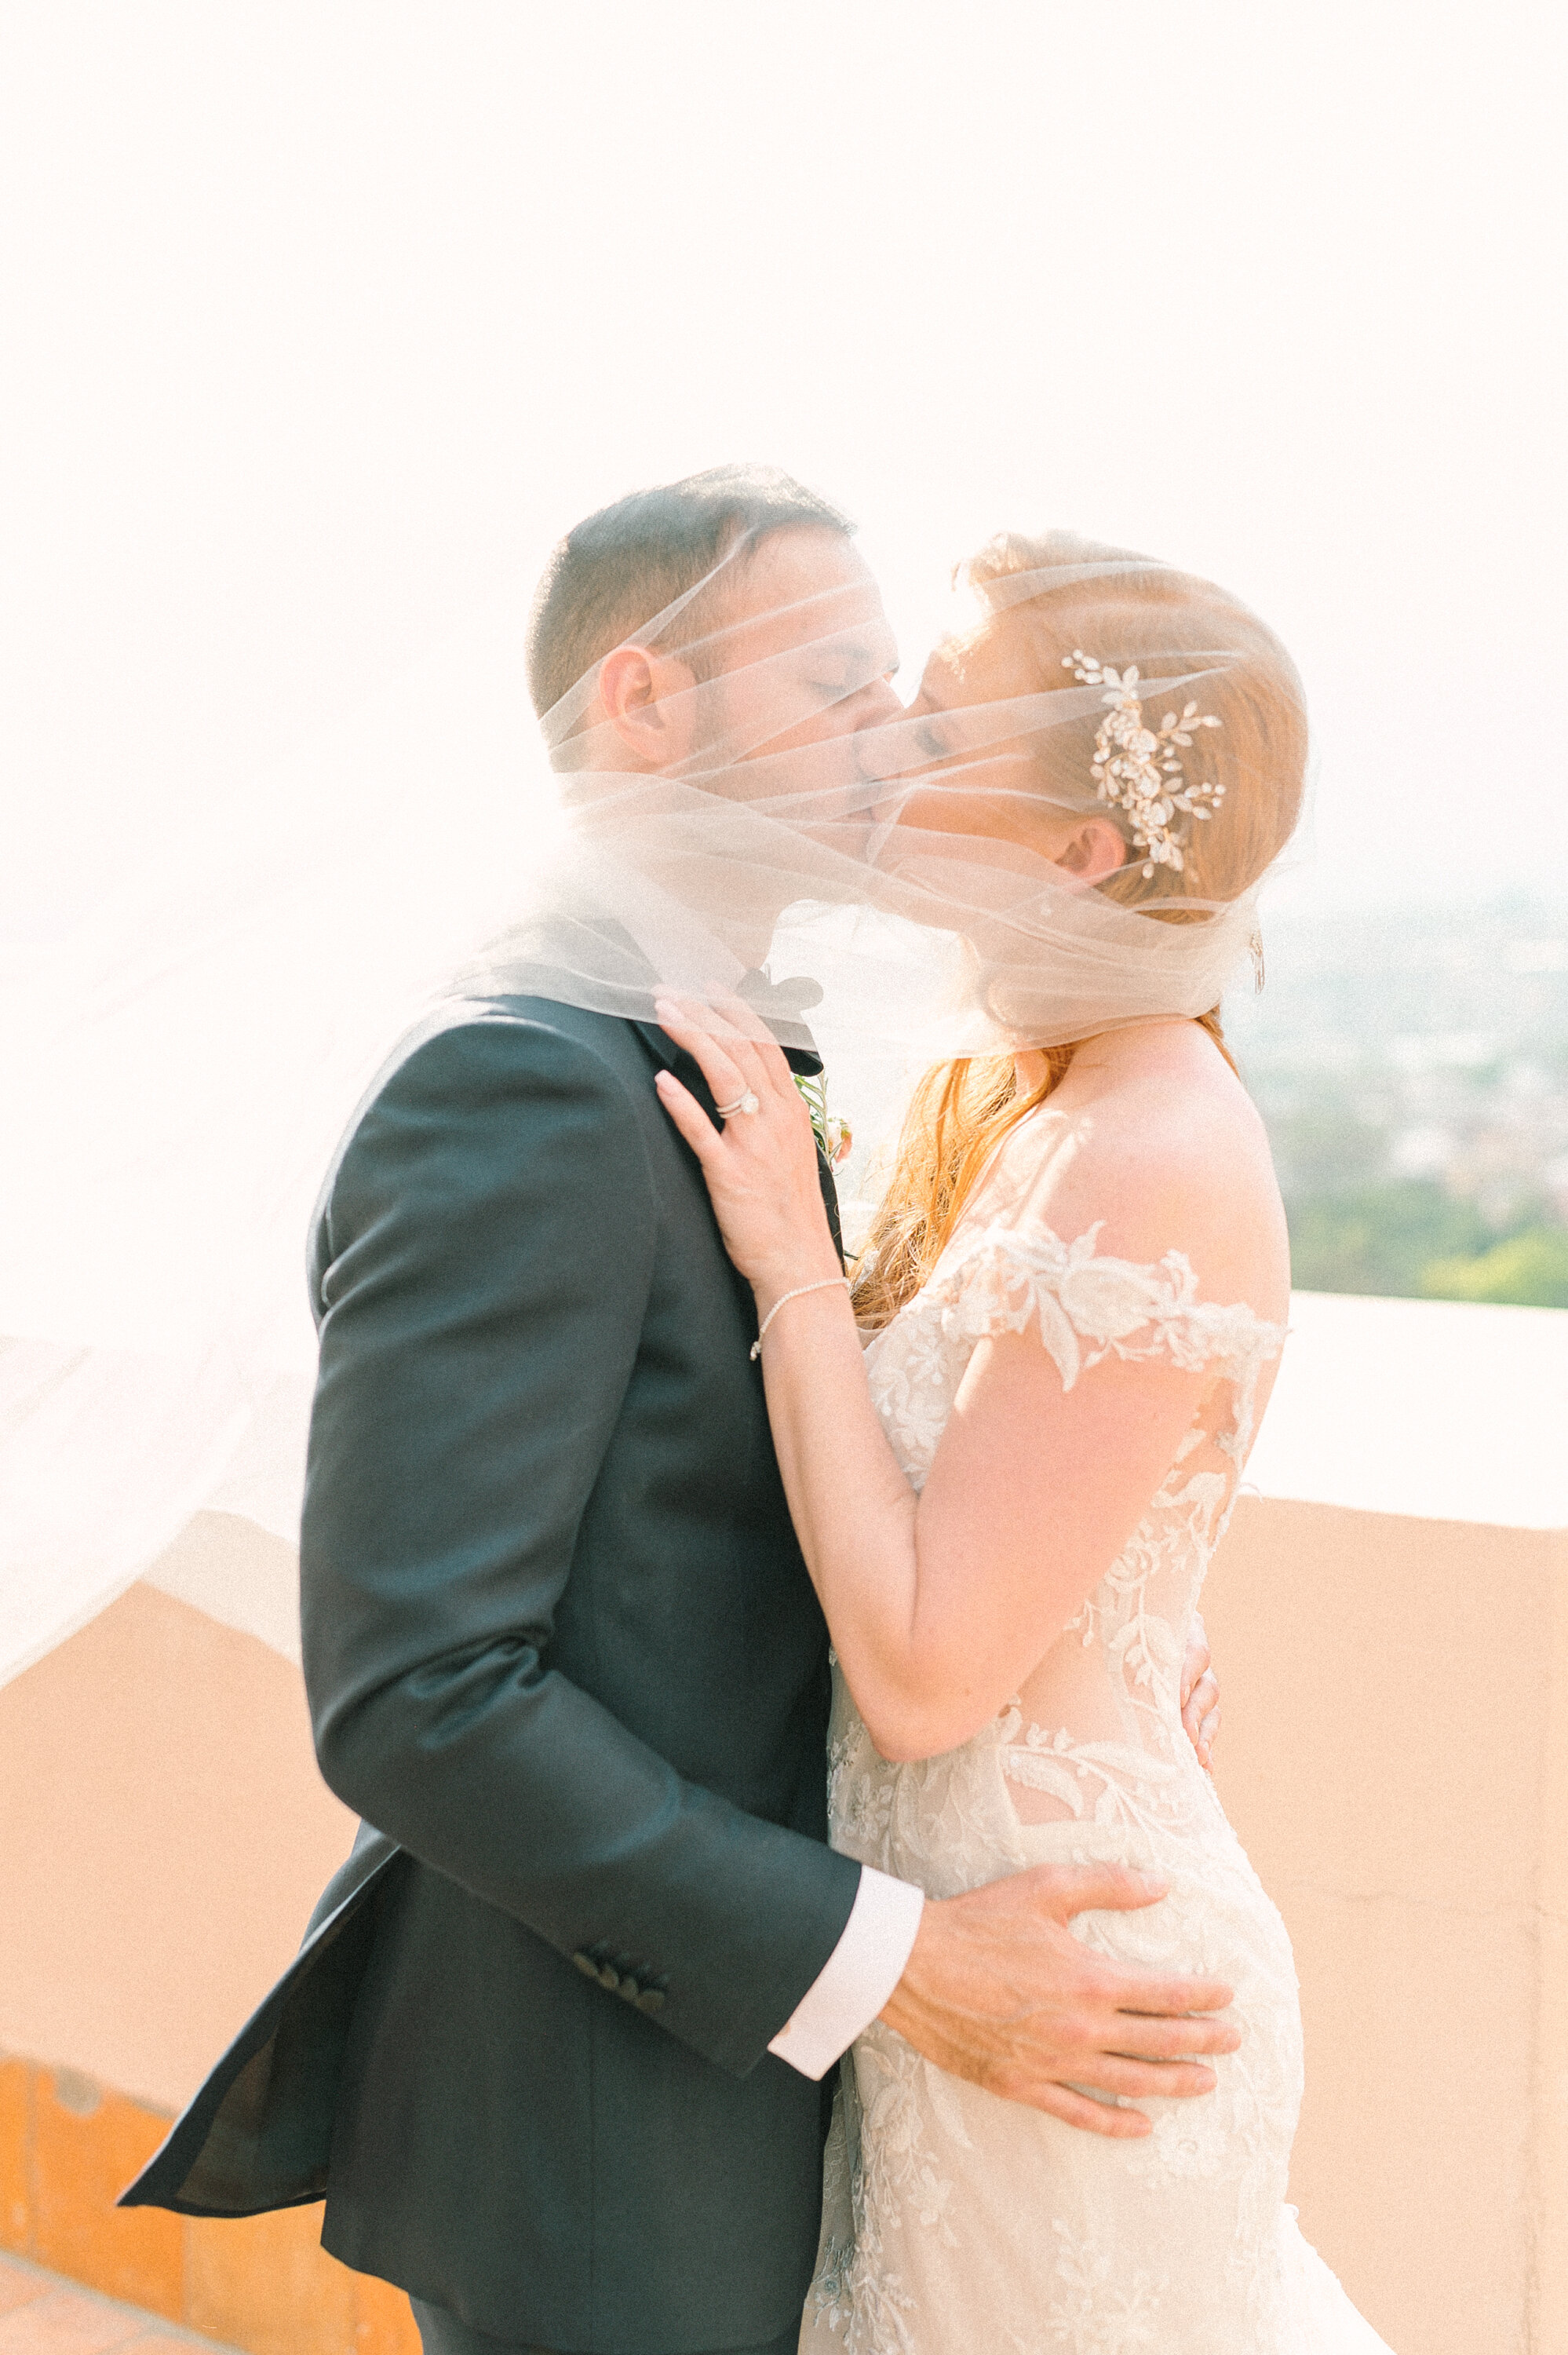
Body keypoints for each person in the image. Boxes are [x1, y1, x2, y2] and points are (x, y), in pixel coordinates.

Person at [121, 475, 1235, 2355]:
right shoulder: (517, 1088)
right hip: (609, 2126)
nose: (893, 732)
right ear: (645, 702)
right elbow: (418, 1693)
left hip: (775, 2093)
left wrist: (1074, 1656)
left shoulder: (709, 1044)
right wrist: (896, 1968)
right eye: (835, 681)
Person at [651, 530, 1397, 2350]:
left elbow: (920, 1677)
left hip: (1081, 2001)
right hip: (974, 1962)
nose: (888, 740)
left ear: (1082, 848)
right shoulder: (1033, 1093)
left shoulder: (1152, 1147)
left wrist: (792, 1270)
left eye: (944, 722)